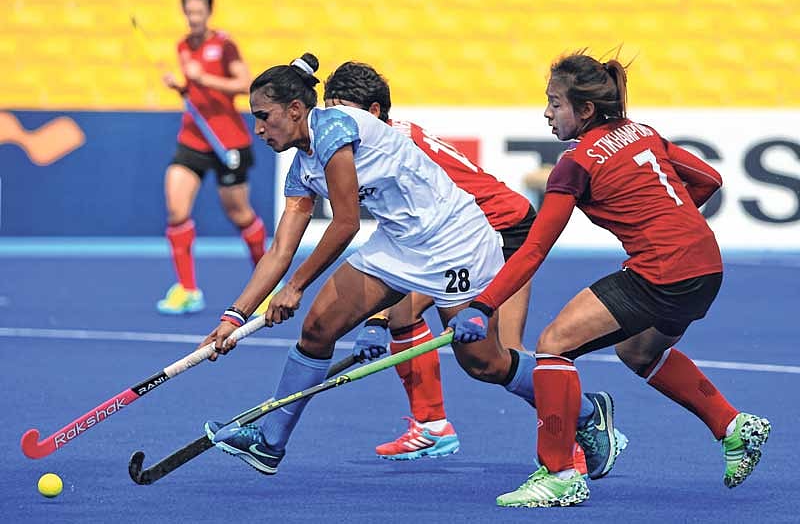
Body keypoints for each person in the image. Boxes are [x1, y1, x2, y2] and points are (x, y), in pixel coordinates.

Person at [196, 53, 619, 484]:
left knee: (484, 363)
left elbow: (345, 224)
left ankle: (586, 411)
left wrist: (296, 287)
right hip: (400, 243)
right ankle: (271, 441)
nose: (258, 129)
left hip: (455, 241)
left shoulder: (334, 129)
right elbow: (279, 252)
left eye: (263, 117)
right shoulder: (302, 168)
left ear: (294, 109)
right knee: (318, 329)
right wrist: (234, 317)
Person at [449, 51, 771, 508]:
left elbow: (534, 249)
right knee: (639, 351)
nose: (546, 114)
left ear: (584, 110)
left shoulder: (575, 165)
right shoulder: (642, 132)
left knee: (554, 345)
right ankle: (731, 425)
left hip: (662, 271)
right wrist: (663, 226)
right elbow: (709, 179)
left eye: (555, 103)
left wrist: (482, 306)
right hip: (705, 267)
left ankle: (559, 474)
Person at [324, 61, 626, 471]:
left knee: (501, 356)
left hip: (503, 233)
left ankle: (582, 427)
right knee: (403, 314)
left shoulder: (392, 151)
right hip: (458, 239)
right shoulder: (377, 142)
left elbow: (408, 245)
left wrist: (372, 317)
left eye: (341, 113)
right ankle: (432, 426)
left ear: (373, 112)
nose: (332, 125)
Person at [157, 0, 266, 314]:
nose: (194, 18)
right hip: (192, 138)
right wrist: (182, 87)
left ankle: (267, 283)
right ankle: (188, 290)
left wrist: (202, 78)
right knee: (176, 210)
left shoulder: (225, 45)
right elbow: (195, 90)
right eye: (189, 12)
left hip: (227, 140)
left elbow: (245, 84)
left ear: (208, 12)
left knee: (240, 215)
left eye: (199, 12)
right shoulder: (182, 46)